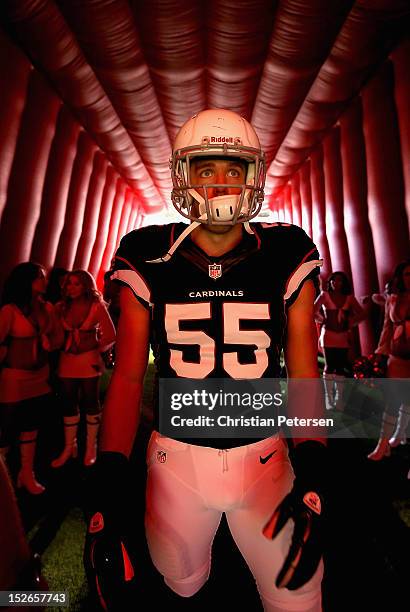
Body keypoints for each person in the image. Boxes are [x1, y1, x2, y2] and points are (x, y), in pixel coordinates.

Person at [85, 109, 328, 611]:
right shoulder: (146, 253)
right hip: (178, 462)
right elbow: (129, 376)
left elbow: (305, 370)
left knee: (299, 597)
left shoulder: (285, 250)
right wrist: (108, 486)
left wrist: (317, 466)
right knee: (183, 588)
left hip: (264, 456)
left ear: (253, 176)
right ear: (183, 175)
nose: (220, 184)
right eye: (206, 169)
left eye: (233, 170)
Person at [0, 262, 61, 494]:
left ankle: (26, 474)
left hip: (39, 377)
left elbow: (56, 339)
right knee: (6, 428)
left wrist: (50, 338)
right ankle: (4, 483)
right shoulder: (10, 310)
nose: (45, 282)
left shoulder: (46, 307)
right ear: (27, 281)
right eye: (40, 277)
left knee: (31, 425)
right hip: (14, 378)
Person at [51, 270, 116, 468]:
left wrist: (96, 348)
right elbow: (53, 334)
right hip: (67, 360)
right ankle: (69, 447)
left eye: (77, 284)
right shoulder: (60, 307)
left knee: (90, 401)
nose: (71, 287)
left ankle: (91, 448)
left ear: (86, 286)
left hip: (89, 360)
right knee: (68, 402)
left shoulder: (96, 306)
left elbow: (111, 335)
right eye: (69, 283)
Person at [368, 259, 410, 460]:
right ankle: (382, 445)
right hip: (397, 355)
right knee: (392, 401)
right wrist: (380, 352)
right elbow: (387, 328)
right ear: (401, 278)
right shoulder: (393, 298)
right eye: (406, 274)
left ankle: (399, 436)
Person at [314, 272, 366, 410]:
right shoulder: (324, 295)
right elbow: (313, 310)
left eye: (339, 281)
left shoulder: (349, 298)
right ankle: (328, 398)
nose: (336, 283)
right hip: (328, 335)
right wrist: (323, 320)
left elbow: (362, 313)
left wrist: (350, 322)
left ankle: (339, 398)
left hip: (342, 335)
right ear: (330, 282)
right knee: (330, 365)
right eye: (334, 281)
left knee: (340, 366)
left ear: (344, 283)